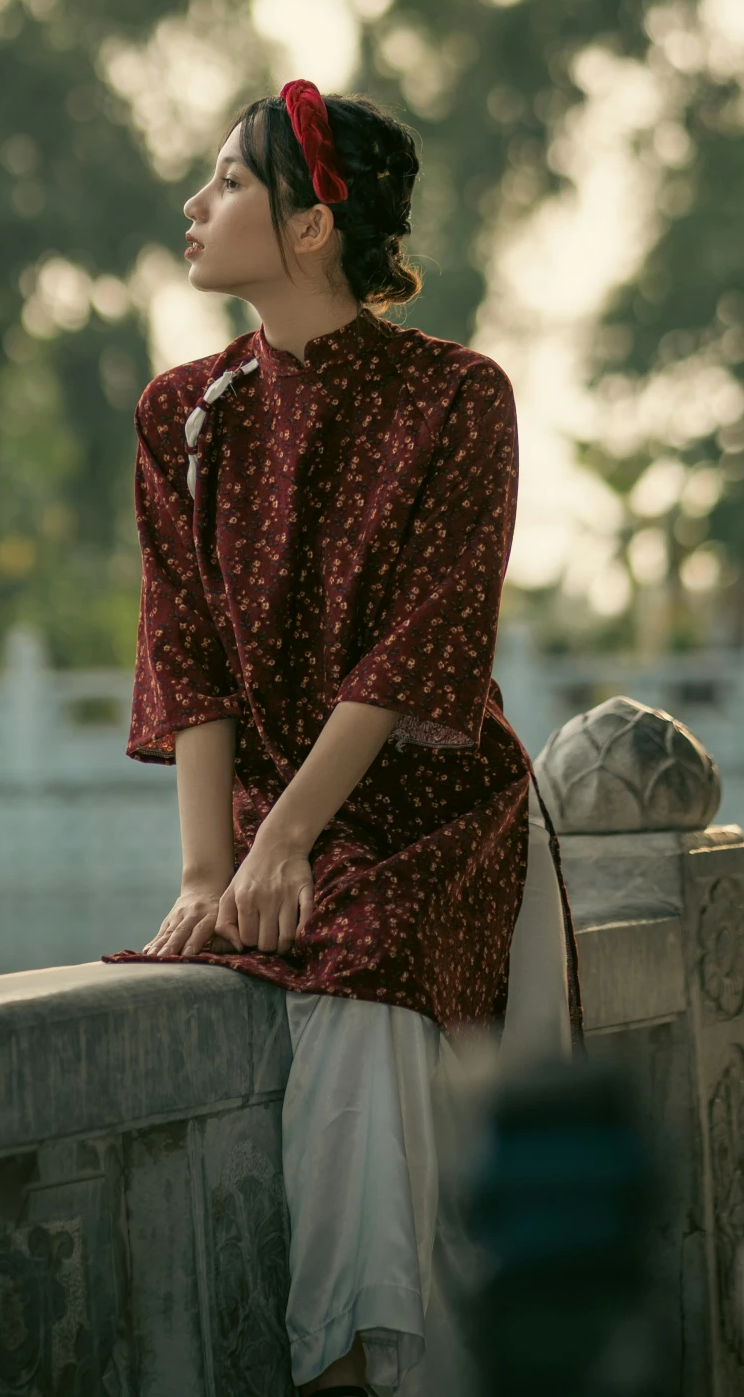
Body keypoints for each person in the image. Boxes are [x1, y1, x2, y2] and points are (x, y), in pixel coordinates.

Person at [112, 81, 580, 1396]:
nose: (194, 206)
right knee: (304, 946)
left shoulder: (455, 394)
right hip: (275, 820)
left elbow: (422, 646)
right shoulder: (179, 412)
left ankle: (354, 1364)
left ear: (313, 223)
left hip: (433, 804)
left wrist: (292, 835)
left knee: (361, 973)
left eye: (227, 183)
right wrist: (209, 869)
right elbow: (184, 646)